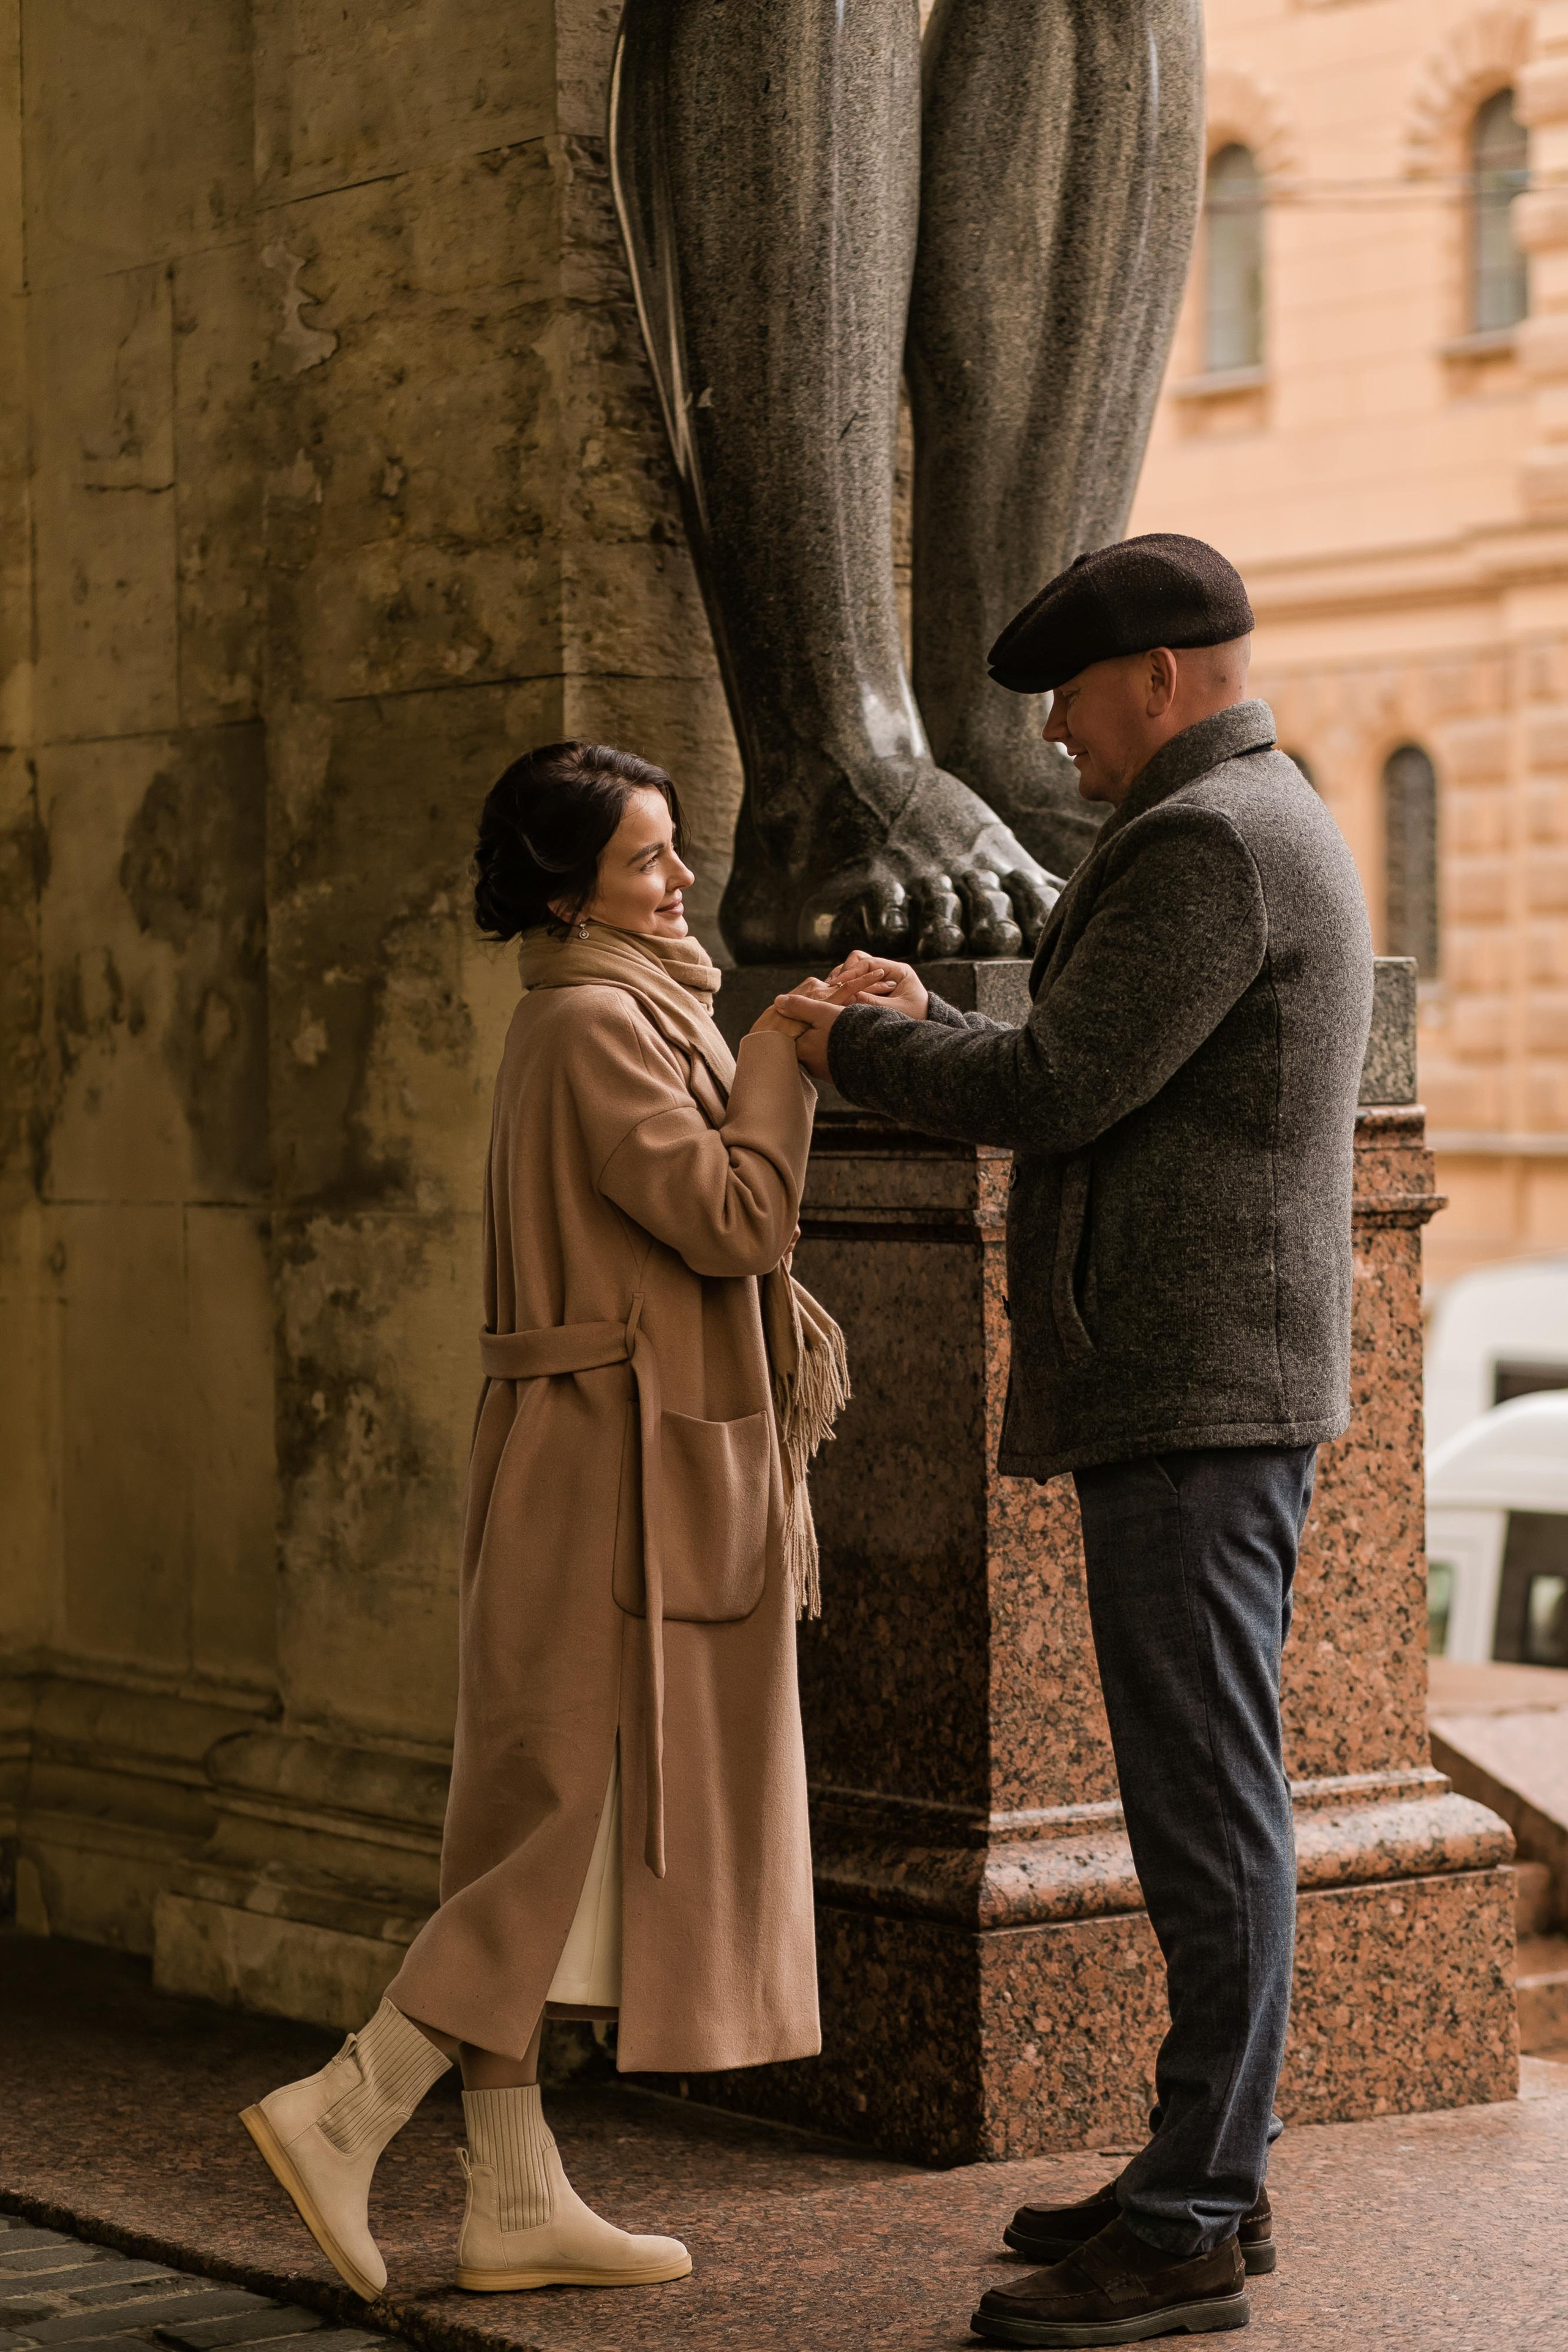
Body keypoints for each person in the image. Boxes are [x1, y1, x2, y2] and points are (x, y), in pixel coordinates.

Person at [774, 535, 1374, 2350]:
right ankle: (1212, 2168)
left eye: (1071, 697)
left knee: (1211, 1813)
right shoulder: (1249, 821)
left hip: (1197, 1394)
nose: (1051, 736)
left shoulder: (1211, 843)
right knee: (1211, 1801)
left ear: (1163, 682)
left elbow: (1060, 1084)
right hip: (1198, 1386)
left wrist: (875, 1040)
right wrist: (936, 1024)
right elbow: (1095, 1070)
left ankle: (1193, 2218)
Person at [239, 742, 848, 2301]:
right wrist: (785, 1045)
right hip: (602, 1466)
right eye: (648, 860)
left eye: (671, 851)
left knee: (542, 1811)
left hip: (610, 1450)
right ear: (570, 886)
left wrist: (761, 1033)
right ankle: (346, 2105)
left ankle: (511, 2201)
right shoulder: (595, 1025)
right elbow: (736, 1216)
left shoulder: (617, 1009)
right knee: (550, 1818)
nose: (679, 879)